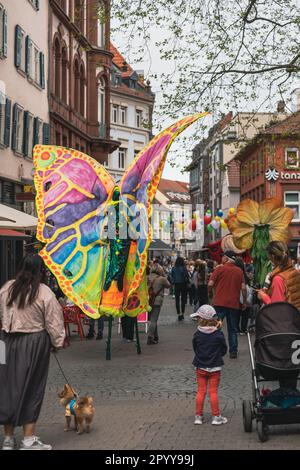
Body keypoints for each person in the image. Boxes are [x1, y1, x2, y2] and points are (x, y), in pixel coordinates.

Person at [0, 254, 65, 450]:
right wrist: (57, 342)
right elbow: (54, 321)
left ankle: (8, 438)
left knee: (6, 387)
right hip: (33, 342)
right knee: (32, 386)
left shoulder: (6, 288)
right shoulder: (43, 292)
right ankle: (28, 438)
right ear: (41, 270)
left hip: (5, 341)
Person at [257, 241, 300, 389]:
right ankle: (292, 398)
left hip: (284, 328)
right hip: (296, 326)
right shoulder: (295, 273)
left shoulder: (278, 280)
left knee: (284, 369)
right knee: (293, 369)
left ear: (273, 258)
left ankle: (286, 403)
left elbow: (276, 310)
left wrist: (263, 296)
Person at [191, 304, 228, 425]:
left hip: (200, 366)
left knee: (201, 391)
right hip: (215, 367)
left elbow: (195, 348)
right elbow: (223, 349)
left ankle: (198, 416)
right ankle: (216, 416)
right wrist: (218, 355)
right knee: (213, 392)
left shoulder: (197, 334)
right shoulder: (218, 334)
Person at [208, 251, 247, 359]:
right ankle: (233, 351)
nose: (221, 259)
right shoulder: (239, 271)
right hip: (233, 304)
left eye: (223, 257)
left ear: (227, 258)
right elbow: (243, 288)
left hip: (219, 303)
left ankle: (216, 349)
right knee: (232, 329)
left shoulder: (219, 269)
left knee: (216, 327)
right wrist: (244, 302)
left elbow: (210, 284)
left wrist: (210, 294)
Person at [147, 264, 170, 345]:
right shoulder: (162, 279)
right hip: (157, 300)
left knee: (152, 319)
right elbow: (168, 285)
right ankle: (150, 337)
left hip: (148, 300)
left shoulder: (147, 277)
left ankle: (155, 336)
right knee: (154, 319)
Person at [170, 256, 189, 321]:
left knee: (177, 300)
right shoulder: (184, 268)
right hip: (183, 284)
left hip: (176, 284)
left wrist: (173, 281)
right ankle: (182, 313)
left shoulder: (174, 268)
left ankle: (178, 314)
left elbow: (171, 276)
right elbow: (186, 276)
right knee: (183, 299)